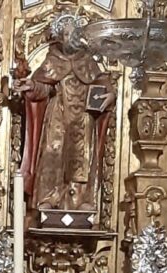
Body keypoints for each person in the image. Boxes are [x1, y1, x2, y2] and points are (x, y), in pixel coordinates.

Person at [13, 13, 115, 213]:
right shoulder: (53, 59)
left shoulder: (87, 61)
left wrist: (110, 94)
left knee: (82, 157)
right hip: (57, 114)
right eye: (67, 34)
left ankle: (81, 199)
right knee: (53, 153)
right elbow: (44, 88)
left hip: (84, 116)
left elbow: (103, 83)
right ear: (60, 36)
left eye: (74, 34)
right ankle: (48, 197)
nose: (71, 38)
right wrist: (31, 85)